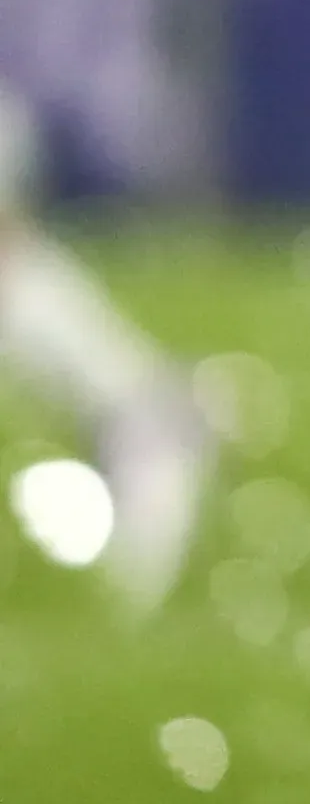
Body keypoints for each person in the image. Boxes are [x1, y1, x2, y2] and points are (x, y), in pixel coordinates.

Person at [0, 98, 207, 616]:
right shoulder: (33, 295)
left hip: (108, 435)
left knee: (166, 420)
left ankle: (121, 599)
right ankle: (125, 600)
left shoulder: (37, 288)